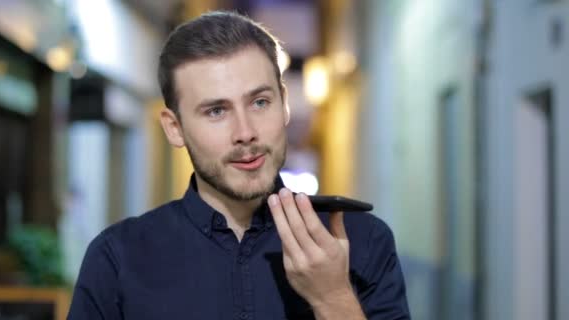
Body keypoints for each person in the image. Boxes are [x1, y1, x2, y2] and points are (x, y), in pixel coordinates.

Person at [67, 11, 410, 320]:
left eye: (260, 102)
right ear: (175, 128)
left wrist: (333, 297)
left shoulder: (360, 242)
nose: (245, 133)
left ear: (285, 104)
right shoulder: (118, 258)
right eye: (216, 111)